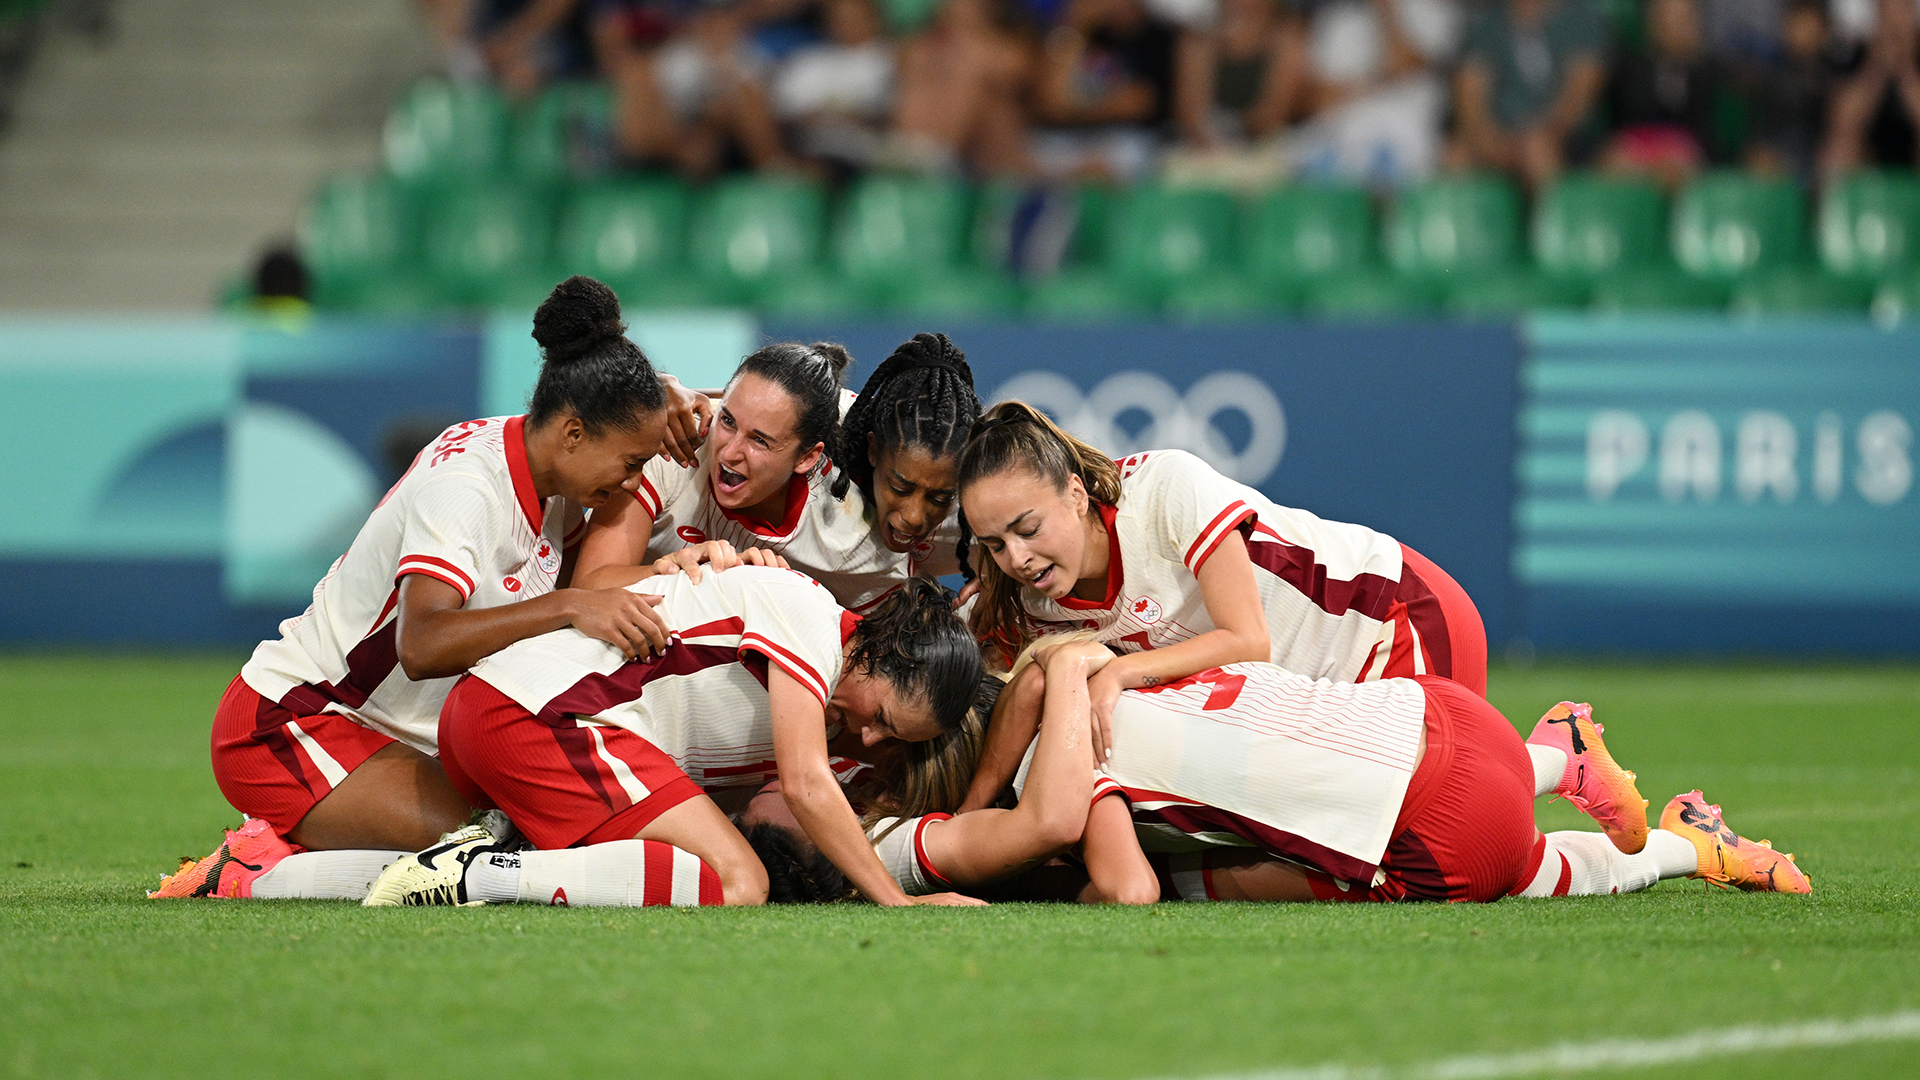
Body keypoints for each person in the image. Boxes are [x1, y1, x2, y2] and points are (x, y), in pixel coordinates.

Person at [151, 277, 688, 900]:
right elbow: (423, 643)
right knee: (498, 846)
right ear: (572, 433)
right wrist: (571, 605)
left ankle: (297, 838)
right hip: (296, 722)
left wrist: (680, 393)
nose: (632, 481)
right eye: (629, 462)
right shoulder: (468, 487)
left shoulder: (554, 475)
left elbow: (634, 428)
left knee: (541, 821)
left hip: (395, 736)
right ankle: (258, 866)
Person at [820, 635, 1809, 904]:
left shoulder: (1073, 771)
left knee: (1209, 880)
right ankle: (1559, 749)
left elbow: (1125, 892)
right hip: (1439, 711)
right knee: (1352, 788)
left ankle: (1684, 848)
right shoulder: (1099, 669)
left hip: (1449, 826)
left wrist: (1049, 881)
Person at [953, 400, 1489, 805]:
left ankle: (1562, 757)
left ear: (1075, 494)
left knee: (1446, 819)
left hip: (1388, 619)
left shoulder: (1164, 489)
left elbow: (1248, 641)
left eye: (1028, 529)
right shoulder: (1025, 603)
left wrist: (1117, 674)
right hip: (1315, 694)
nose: (1017, 558)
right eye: (995, 544)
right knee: (1365, 843)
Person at [359, 569, 988, 908]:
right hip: (539, 721)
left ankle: (277, 871)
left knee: (685, 866)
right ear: (882, 655)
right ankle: (479, 875)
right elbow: (804, 784)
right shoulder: (814, 624)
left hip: (500, 718)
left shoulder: (827, 683)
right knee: (739, 883)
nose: (870, 735)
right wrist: (896, 903)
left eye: (890, 737)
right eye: (883, 716)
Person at [576, 334, 979, 611]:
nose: (730, 453)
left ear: (807, 457)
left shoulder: (857, 540)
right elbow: (587, 587)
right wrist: (662, 389)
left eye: (760, 441)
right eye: (729, 422)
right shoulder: (678, 443)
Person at [1449, 0, 1610, 190]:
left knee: (1538, 149)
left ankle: (1557, 218)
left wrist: (1533, 137)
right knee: (1454, 156)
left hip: (1567, 140)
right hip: (1502, 135)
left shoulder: (1582, 19)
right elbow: (1470, 95)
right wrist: (1489, 140)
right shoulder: (1486, 23)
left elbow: (1577, 97)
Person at [1600, 0, 1728, 189]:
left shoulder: (1708, 72)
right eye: (1669, 18)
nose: (1678, 27)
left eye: (1685, 19)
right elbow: (1621, 117)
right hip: (1636, 146)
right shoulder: (1631, 68)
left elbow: (1706, 130)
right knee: (1611, 164)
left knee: (1671, 172)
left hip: (1684, 150)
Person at [1821, 0, 1920, 175]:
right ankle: (1837, 202)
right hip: (1869, 156)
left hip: (1911, 152)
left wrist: (1905, 69)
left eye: (1903, 9)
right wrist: (1877, 66)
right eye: (1889, 9)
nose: (1895, 19)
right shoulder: (1855, 53)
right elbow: (1842, 119)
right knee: (1840, 145)